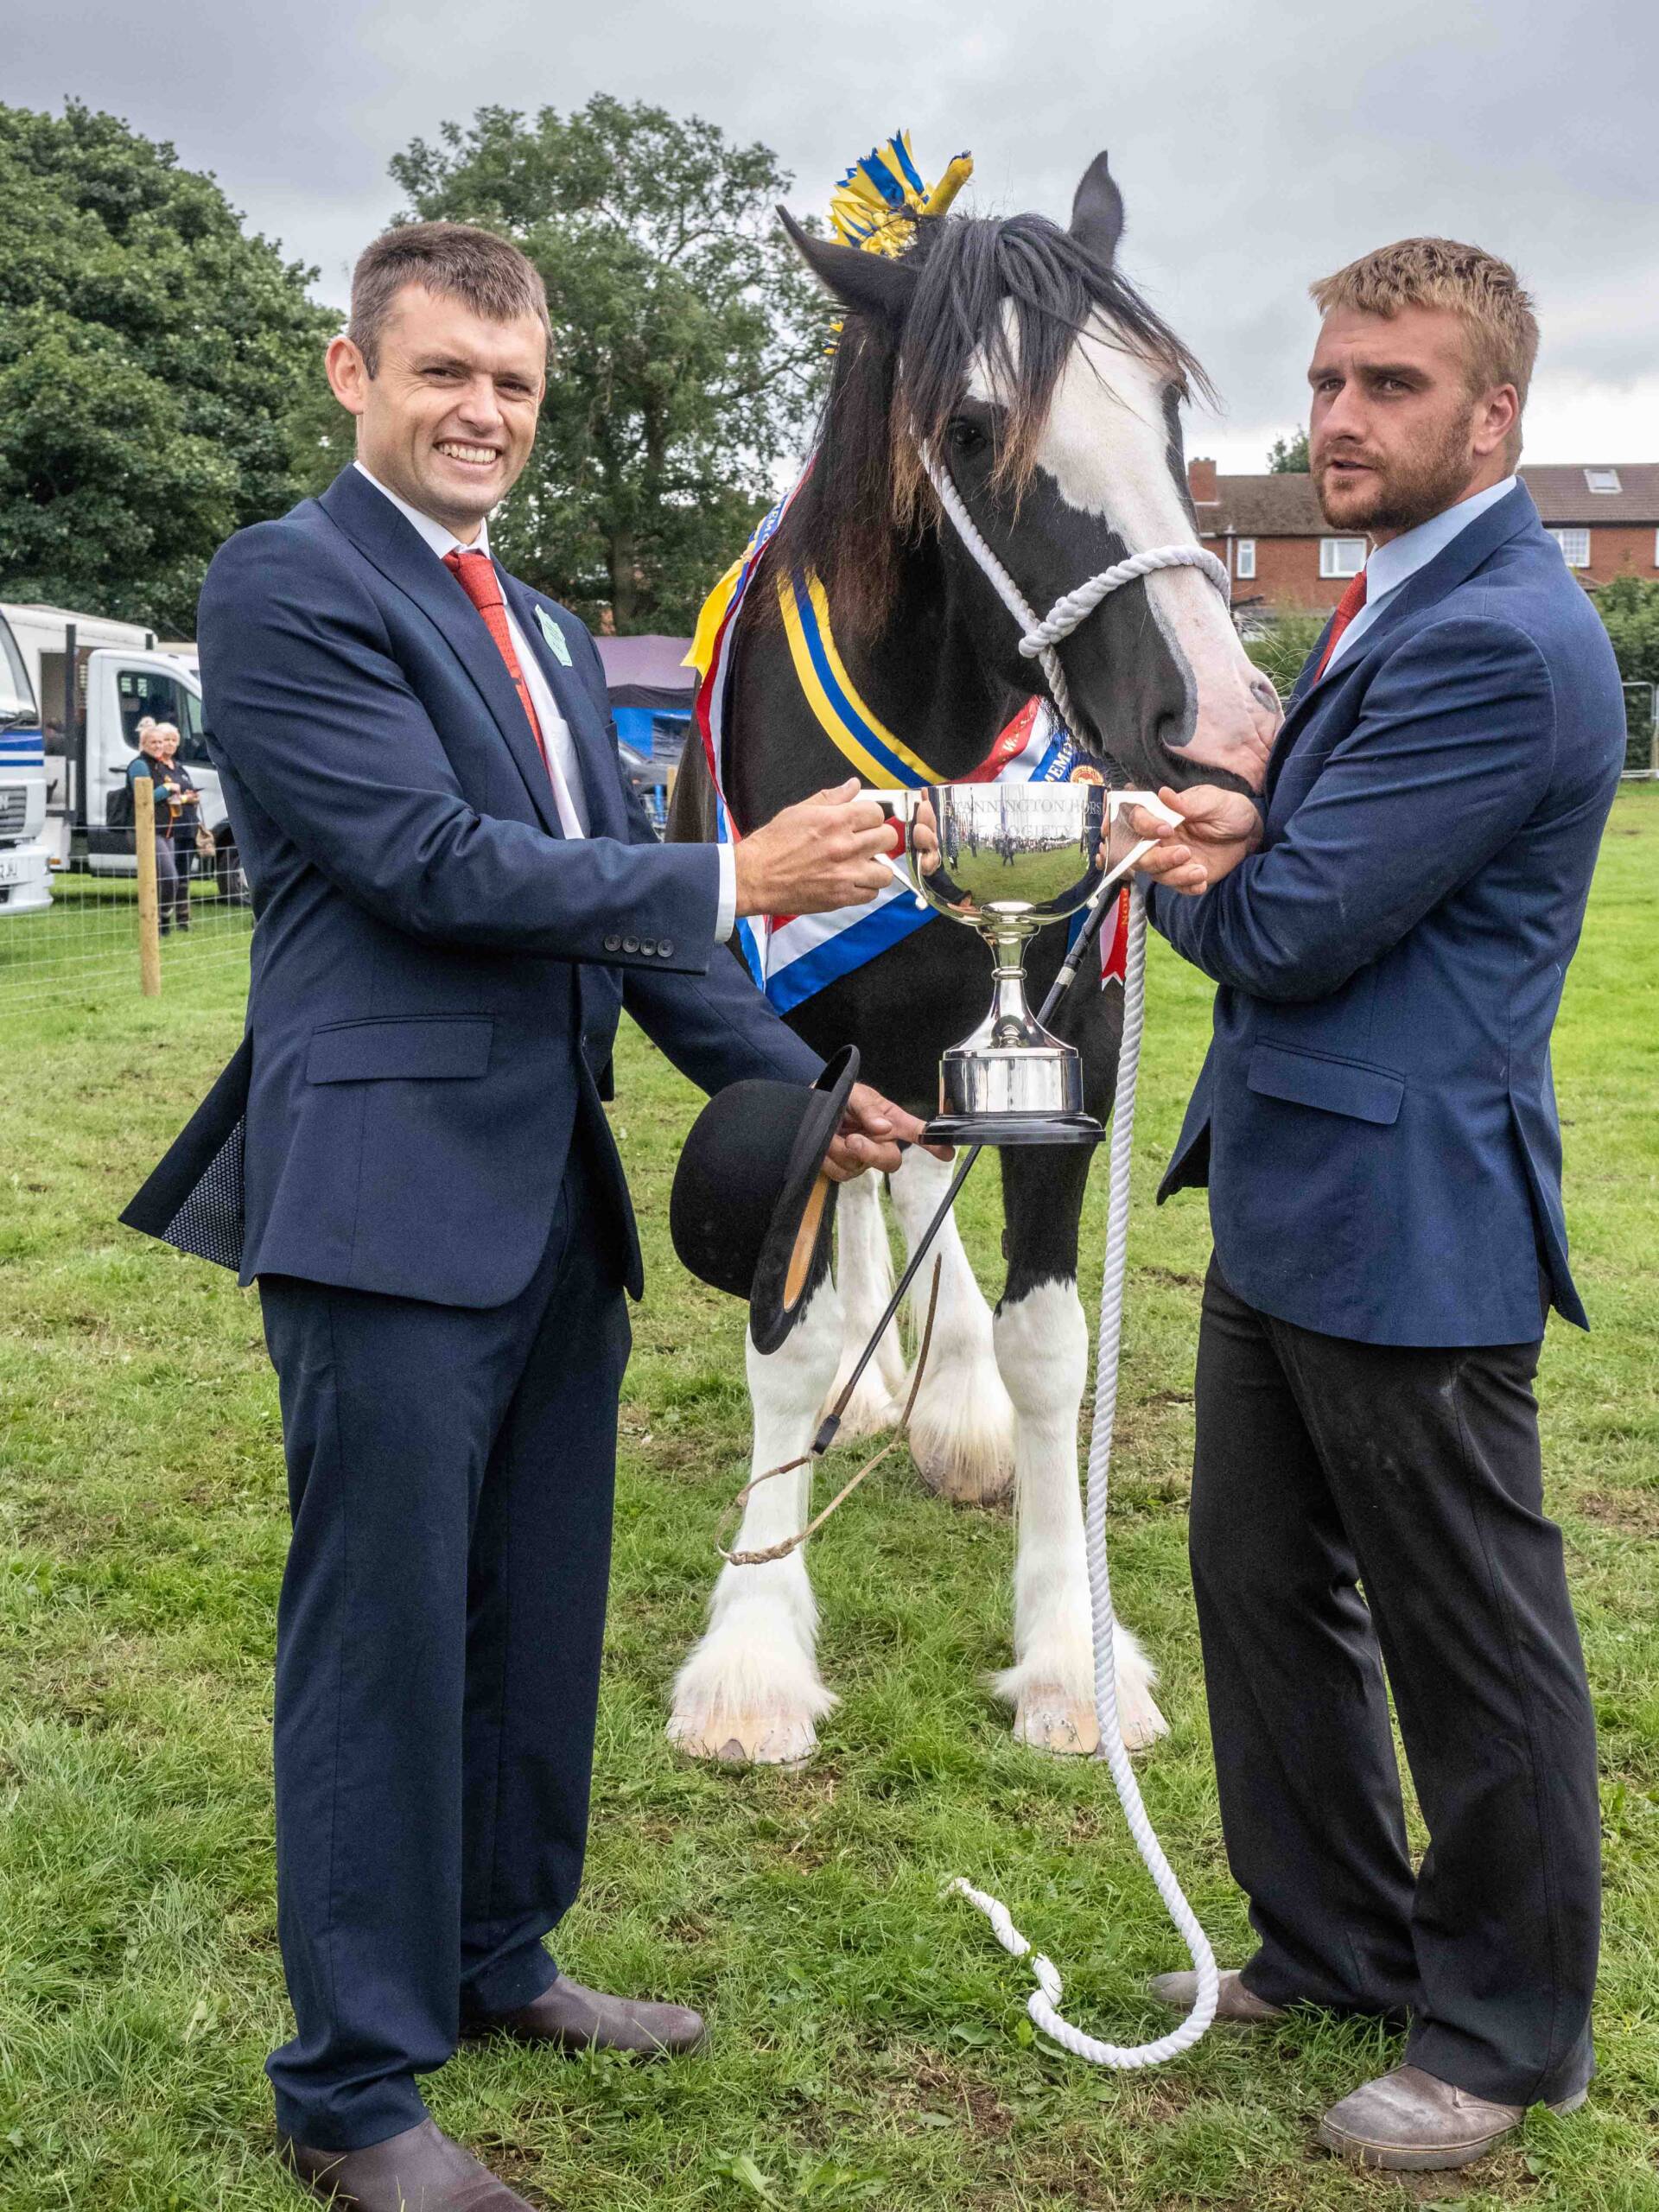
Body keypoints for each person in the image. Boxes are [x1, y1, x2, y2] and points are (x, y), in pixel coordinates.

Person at [126, 220, 930, 2212]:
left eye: (511, 381)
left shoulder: (559, 631)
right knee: (381, 1641)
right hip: (383, 1208)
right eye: (443, 373)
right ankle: (353, 2087)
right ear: (355, 374)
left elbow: (626, 915)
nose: (481, 410)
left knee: (532, 1614)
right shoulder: (285, 585)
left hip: (551, 1209)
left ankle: (499, 1956)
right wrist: (738, 863)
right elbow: (430, 862)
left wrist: (799, 1083)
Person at [1128, 239, 1624, 2172]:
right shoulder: (1392, 599)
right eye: (1330, 378)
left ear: (1492, 415)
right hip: (1291, 1188)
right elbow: (1303, 844)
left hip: (1413, 1212)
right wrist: (1251, 812)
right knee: (1261, 1586)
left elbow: (1295, 919)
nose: (1339, 416)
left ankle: (1500, 2031)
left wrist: (1165, 844)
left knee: (1474, 1635)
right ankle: (1332, 1938)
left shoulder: (1500, 630)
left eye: (1391, 386)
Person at [125, 719, 189, 934]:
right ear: (143, 744)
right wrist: (168, 788)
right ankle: (163, 918)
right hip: (148, 830)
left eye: (161, 742)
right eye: (153, 742)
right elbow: (143, 797)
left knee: (163, 879)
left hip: (167, 829)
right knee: (170, 877)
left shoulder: (161, 766)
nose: (158, 746)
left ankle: (160, 923)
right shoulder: (139, 765)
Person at [154, 721, 205, 931]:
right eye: (166, 740)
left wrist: (192, 797)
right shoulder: (157, 768)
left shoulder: (179, 767)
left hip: (188, 828)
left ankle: (184, 920)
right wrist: (185, 799)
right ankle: (163, 920)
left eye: (174, 740)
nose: (171, 744)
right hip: (169, 830)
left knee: (184, 876)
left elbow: (186, 790)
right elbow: (165, 797)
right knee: (169, 877)